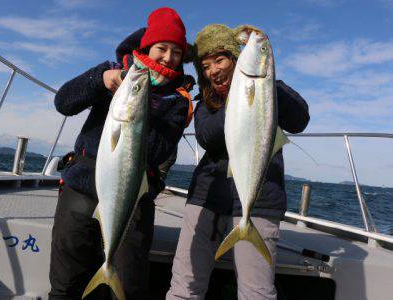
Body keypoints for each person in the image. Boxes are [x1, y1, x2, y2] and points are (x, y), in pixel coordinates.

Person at [49, 7, 194, 300]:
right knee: (65, 284)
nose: (168, 57)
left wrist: (144, 104)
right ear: (147, 46)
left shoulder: (178, 99)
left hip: (132, 197)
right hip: (80, 187)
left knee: (128, 289)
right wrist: (100, 79)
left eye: (176, 52)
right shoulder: (114, 72)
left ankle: (110, 270)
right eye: (162, 48)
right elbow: (64, 102)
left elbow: (158, 150)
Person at [166, 24, 310, 300]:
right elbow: (207, 136)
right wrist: (240, 97)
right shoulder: (206, 104)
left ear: (236, 58)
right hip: (205, 199)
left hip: (259, 201)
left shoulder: (270, 89)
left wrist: (264, 78)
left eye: (219, 60)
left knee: (256, 293)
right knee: (184, 288)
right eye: (205, 66)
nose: (213, 71)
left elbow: (300, 120)